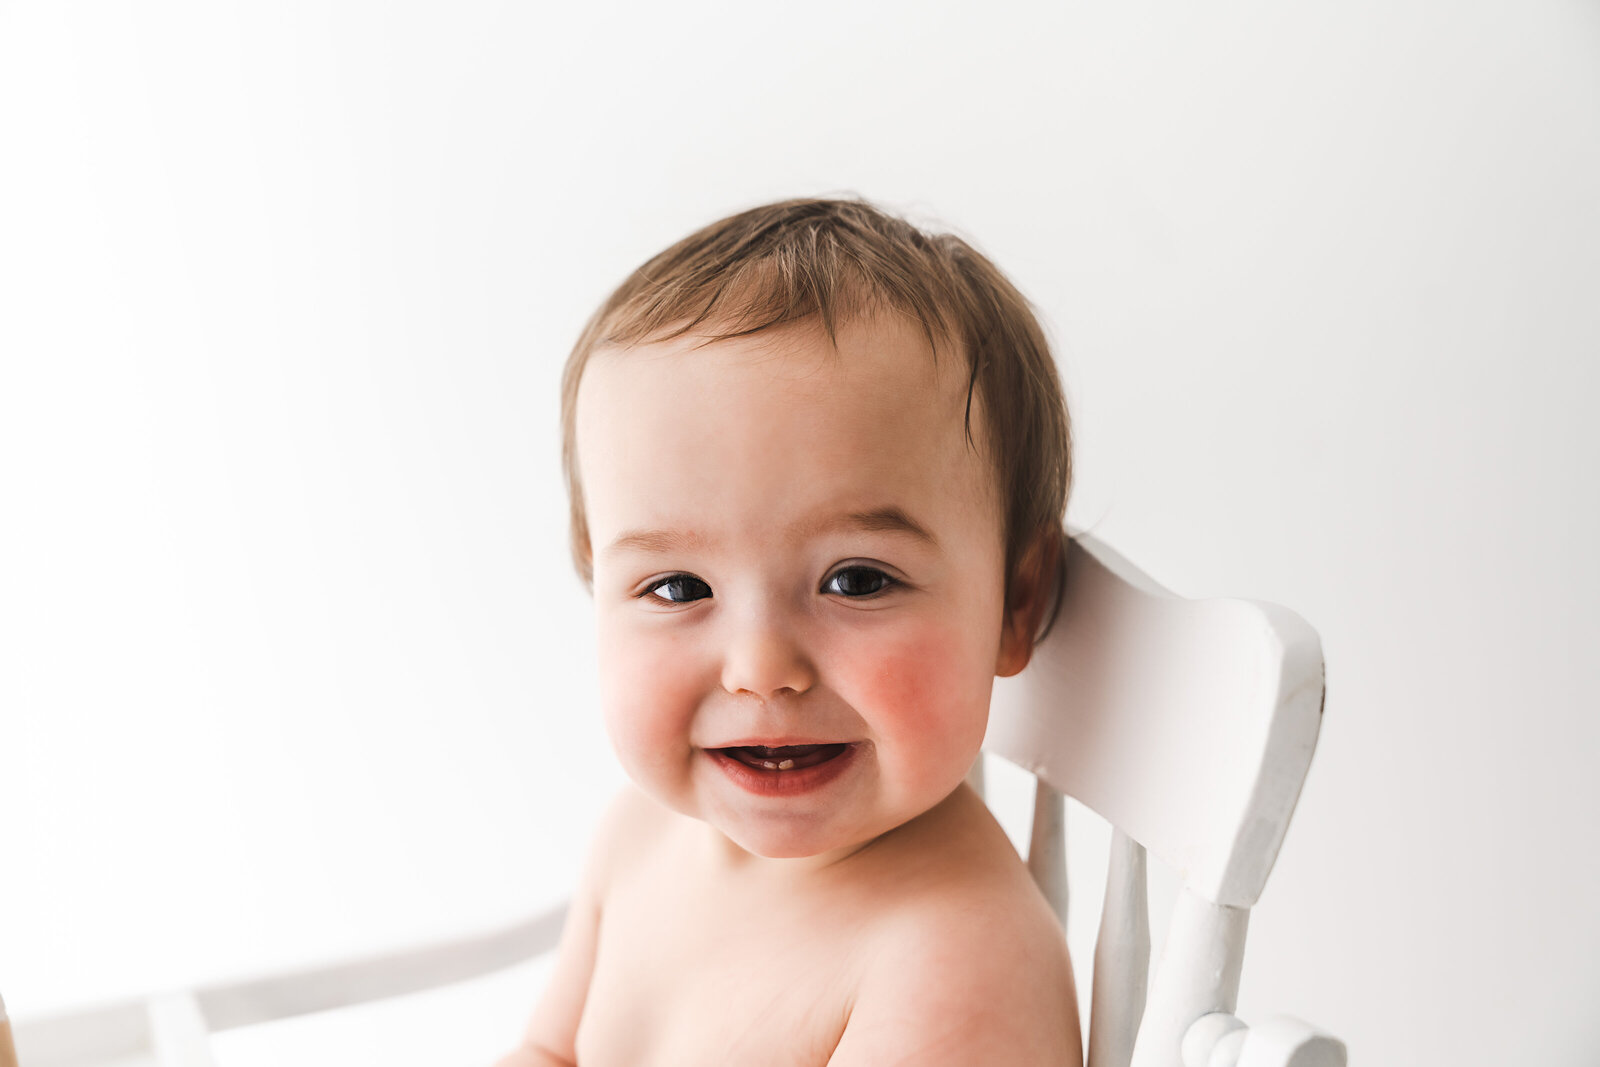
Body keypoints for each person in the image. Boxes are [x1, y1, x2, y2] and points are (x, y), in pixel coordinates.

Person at [497, 198, 1082, 1066]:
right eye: (677, 585)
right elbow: (549, 1051)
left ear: (1015, 603)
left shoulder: (954, 956)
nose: (760, 669)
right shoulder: (639, 835)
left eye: (856, 580)